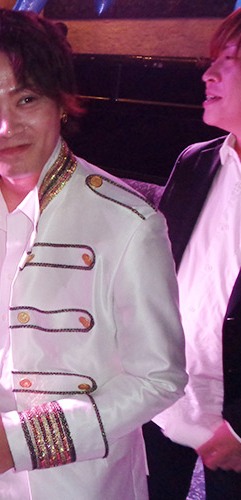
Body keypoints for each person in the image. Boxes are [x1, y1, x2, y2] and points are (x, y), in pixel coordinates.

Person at [0, 9, 187, 500]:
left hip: (67, 480)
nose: (6, 127)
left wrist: (28, 439)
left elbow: (159, 379)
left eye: (26, 99)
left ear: (60, 102)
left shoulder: (128, 224)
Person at [145, 9, 241, 500]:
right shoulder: (196, 161)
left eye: (230, 59)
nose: (208, 74)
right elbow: (157, 270)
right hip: (165, 394)